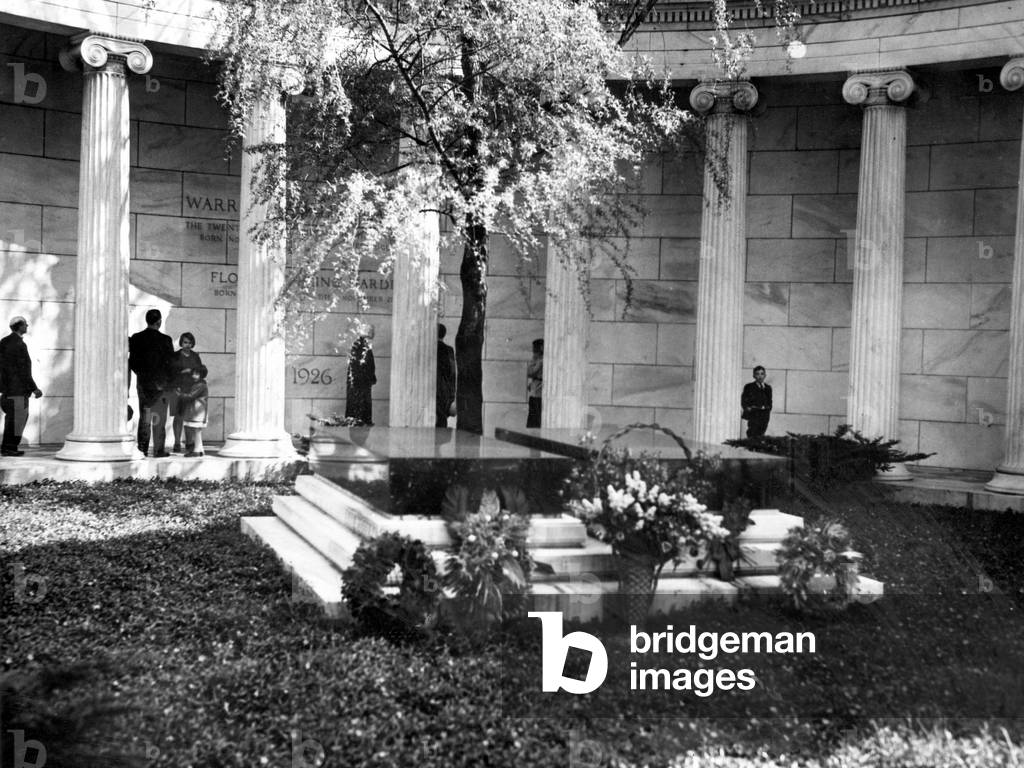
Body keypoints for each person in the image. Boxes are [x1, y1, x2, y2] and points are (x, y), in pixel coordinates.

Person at [129, 309, 174, 457]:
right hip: (161, 385)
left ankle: (142, 449)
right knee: (159, 418)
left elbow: (133, 363)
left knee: (145, 416)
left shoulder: (136, 338)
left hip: (144, 383)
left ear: (147, 320)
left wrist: (143, 375)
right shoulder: (166, 340)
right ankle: (158, 450)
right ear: (159, 321)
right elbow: (170, 365)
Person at [0, 316, 43, 456]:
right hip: (18, 391)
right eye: (25, 324)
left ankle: (8, 447)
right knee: (18, 419)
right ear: (19, 326)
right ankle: (9, 448)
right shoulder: (18, 344)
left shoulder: (4, 342)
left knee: (12, 419)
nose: (27, 326)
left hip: (7, 391)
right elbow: (23, 370)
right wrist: (34, 388)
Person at [167, 332, 204, 454]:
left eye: (189, 342)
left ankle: (189, 442)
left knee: (189, 417)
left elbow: (200, 371)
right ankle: (177, 442)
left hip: (191, 389)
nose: (187, 345)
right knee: (178, 417)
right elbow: (171, 372)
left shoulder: (195, 356)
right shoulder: (175, 356)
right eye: (185, 342)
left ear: (192, 343)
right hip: (178, 389)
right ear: (181, 343)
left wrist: (191, 370)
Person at [345, 323, 376, 425]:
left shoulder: (361, 345)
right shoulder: (362, 346)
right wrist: (370, 377)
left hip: (360, 385)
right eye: (371, 331)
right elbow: (362, 366)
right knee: (361, 412)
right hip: (360, 386)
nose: (373, 333)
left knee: (360, 411)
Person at [177, 364, 209, 458]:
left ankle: (196, 450)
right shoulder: (201, 384)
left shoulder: (200, 385)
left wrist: (179, 394)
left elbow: (191, 396)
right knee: (197, 431)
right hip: (197, 411)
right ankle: (200, 449)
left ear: (201, 375)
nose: (194, 376)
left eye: (197, 374)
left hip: (196, 412)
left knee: (196, 431)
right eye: (193, 374)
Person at [741, 365, 773, 438]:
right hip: (754, 414)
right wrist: (748, 408)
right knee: (752, 433)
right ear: (754, 376)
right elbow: (743, 399)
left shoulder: (768, 388)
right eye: (757, 374)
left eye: (762, 374)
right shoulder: (749, 386)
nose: (760, 376)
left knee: (761, 433)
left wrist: (768, 409)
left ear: (765, 375)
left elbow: (770, 400)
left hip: (764, 414)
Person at [436, 323, 456, 428]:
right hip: (444, 391)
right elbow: (452, 374)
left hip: (433, 389)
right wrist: (452, 396)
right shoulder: (449, 350)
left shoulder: (429, 349)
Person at [526, 338, 543, 429]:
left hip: (540, 393)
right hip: (536, 392)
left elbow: (531, 372)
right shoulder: (536, 358)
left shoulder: (540, 359)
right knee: (534, 419)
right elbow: (529, 372)